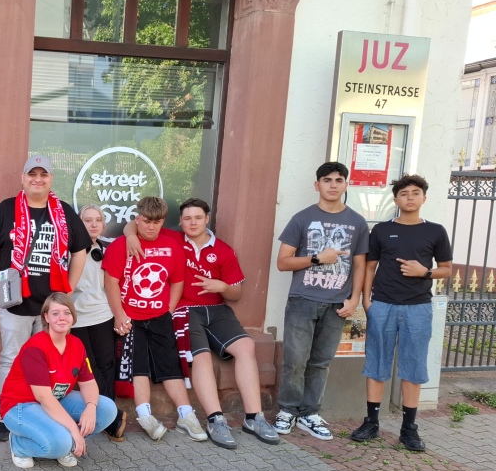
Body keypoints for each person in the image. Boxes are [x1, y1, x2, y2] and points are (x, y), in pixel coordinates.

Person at [0, 154, 90, 441]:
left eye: (43, 174)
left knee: (49, 361)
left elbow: (80, 250)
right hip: (15, 303)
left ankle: (43, 415)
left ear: (51, 179)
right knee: (11, 358)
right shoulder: (6, 209)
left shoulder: (64, 212)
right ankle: (5, 416)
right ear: (23, 178)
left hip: (51, 307)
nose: (37, 179)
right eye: (32, 174)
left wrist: (68, 290)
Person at [351, 175, 452, 451]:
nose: (410, 197)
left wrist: (425, 272)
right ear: (396, 199)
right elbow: (369, 266)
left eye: (415, 193)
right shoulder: (382, 230)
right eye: (404, 193)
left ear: (424, 198)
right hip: (383, 305)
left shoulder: (435, 231)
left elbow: (446, 268)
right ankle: (371, 423)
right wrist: (367, 301)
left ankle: (409, 429)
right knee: (376, 364)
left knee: (413, 367)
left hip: (418, 308)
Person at [170, 198, 278, 449]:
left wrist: (222, 287)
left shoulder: (223, 250)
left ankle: (254, 418)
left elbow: (236, 293)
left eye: (198, 217)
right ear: (181, 221)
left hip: (217, 309)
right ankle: (215, 419)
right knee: (202, 356)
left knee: (246, 347)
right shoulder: (172, 240)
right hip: (185, 310)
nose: (193, 223)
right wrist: (131, 236)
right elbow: (135, 226)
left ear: (207, 219)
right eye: (187, 218)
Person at [274, 162, 369, 440]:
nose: (333, 185)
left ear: (346, 185)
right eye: (327, 180)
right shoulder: (302, 218)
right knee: (295, 360)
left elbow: (360, 265)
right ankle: (287, 410)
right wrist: (317, 258)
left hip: (337, 303)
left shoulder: (357, 222)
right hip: (302, 300)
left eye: (339, 180)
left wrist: (355, 299)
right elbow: (283, 262)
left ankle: (309, 413)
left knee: (321, 362)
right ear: (317, 185)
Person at [106, 196, 207, 443]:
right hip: (130, 317)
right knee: (138, 366)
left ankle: (186, 415)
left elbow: (177, 281)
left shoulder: (171, 246)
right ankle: (145, 416)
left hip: (160, 315)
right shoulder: (121, 245)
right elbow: (111, 282)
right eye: (146, 221)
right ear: (137, 219)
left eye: (157, 222)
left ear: (163, 221)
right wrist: (119, 314)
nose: (151, 227)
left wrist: (168, 310)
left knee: (169, 364)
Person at [0, 293, 119, 468]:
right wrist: (74, 429)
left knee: (106, 409)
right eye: (55, 313)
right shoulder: (35, 347)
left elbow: (88, 383)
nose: (61, 318)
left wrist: (90, 408)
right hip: (21, 407)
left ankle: (66, 443)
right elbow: (44, 397)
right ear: (46, 317)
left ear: (73, 316)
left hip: (57, 400)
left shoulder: (77, 344)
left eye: (66, 312)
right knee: (60, 443)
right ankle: (19, 445)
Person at [70, 205, 127, 441]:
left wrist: (118, 314)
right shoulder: (69, 251)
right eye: (87, 220)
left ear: (103, 224)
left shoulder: (107, 250)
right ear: (78, 223)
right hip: (77, 319)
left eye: (98, 220)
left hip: (103, 315)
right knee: (90, 368)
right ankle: (110, 417)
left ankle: (109, 415)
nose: (93, 224)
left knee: (106, 365)